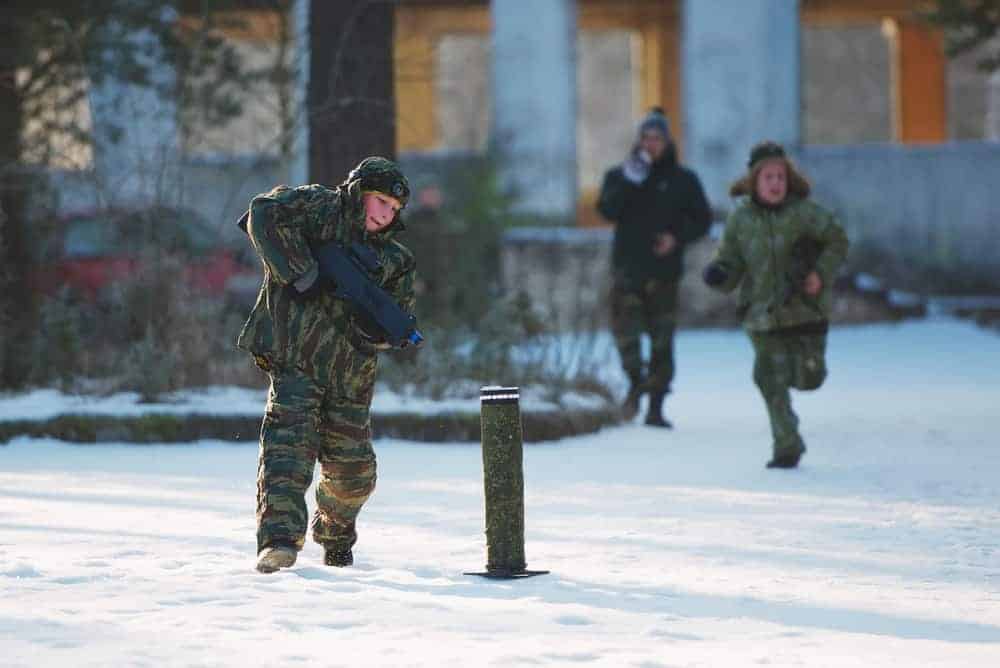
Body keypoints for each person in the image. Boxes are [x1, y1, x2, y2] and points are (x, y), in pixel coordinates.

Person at [237, 156, 416, 573]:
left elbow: (400, 314)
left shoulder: (395, 259)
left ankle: (334, 534)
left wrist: (380, 327)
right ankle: (278, 541)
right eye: (379, 202)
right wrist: (301, 274)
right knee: (288, 450)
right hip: (296, 359)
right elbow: (261, 212)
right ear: (359, 194)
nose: (385, 214)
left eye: (393, 209)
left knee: (354, 472)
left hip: (351, 374)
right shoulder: (318, 209)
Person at [703, 141, 848, 469]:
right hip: (761, 314)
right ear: (755, 181)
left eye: (780, 177)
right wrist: (719, 274)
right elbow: (731, 261)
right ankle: (787, 444)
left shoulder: (804, 213)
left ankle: (805, 379)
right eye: (768, 177)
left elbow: (837, 239)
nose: (775, 183)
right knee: (768, 376)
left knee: (809, 378)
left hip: (805, 311)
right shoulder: (740, 219)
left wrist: (819, 273)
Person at [597, 107, 712, 427]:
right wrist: (629, 181)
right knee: (626, 337)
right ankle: (636, 385)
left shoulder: (683, 180)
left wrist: (676, 238)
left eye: (657, 138)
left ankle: (657, 405)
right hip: (627, 272)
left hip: (663, 274)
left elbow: (703, 219)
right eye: (646, 138)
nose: (651, 144)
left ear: (667, 141)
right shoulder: (619, 175)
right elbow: (606, 209)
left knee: (662, 341)